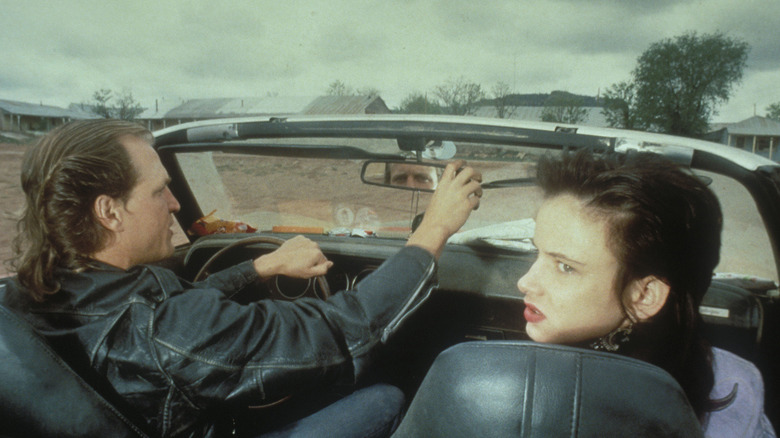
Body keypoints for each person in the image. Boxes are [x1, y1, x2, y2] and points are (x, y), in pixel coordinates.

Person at [3, 119, 482, 437]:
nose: (174, 204)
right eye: (160, 190)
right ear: (109, 211)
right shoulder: (168, 330)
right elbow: (347, 327)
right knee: (385, 397)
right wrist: (434, 230)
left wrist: (259, 267)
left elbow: (166, 314)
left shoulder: (34, 289)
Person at [516, 150, 775, 437]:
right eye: (535, 251)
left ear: (644, 296)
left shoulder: (734, 391)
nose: (525, 282)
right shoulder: (731, 377)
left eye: (565, 267)